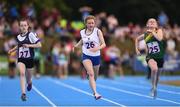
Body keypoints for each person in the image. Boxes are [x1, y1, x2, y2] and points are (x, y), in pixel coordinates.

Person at [8, 18, 42, 101]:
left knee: (29, 78)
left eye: (25, 25)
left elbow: (39, 45)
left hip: (30, 59)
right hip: (21, 58)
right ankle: (23, 94)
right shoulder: (18, 36)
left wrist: (29, 46)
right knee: (22, 73)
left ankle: (30, 83)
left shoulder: (31, 35)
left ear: (28, 26)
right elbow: (19, 45)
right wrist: (12, 50)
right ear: (19, 27)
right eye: (21, 25)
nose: (23, 27)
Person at [73, 15, 106, 100]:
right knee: (91, 74)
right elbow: (82, 40)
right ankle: (96, 93)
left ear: (94, 23)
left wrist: (96, 48)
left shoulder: (98, 31)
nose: (91, 25)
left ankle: (90, 77)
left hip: (96, 56)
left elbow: (103, 44)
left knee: (94, 77)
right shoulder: (82, 32)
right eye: (89, 23)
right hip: (86, 55)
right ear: (86, 24)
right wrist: (76, 46)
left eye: (92, 23)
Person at [135, 18, 165, 98]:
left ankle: (154, 87)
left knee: (158, 77)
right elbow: (137, 39)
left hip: (160, 57)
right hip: (150, 56)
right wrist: (137, 49)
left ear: (156, 25)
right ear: (147, 25)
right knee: (154, 69)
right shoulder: (145, 35)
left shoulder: (159, 31)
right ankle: (153, 87)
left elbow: (159, 38)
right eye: (150, 21)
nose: (151, 22)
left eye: (153, 21)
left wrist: (152, 32)